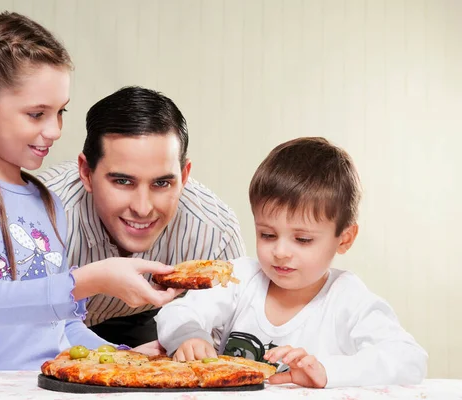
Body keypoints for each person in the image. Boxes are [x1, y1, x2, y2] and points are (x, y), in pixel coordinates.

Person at [0, 12, 181, 371]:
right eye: (37, 114)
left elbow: (60, 328)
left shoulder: (47, 201)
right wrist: (86, 281)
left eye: (60, 112)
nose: (54, 131)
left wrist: (124, 357)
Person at [0, 86, 246, 368]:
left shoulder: (216, 231)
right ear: (85, 172)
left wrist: (131, 357)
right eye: (123, 181)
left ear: (185, 176)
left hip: (155, 327)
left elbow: (241, 333)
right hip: (64, 335)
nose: (143, 208)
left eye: (162, 183)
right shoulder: (42, 209)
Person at [156, 137, 428, 388]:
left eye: (303, 239)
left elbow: (409, 359)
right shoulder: (242, 277)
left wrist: (326, 371)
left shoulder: (346, 298)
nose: (281, 252)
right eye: (267, 234)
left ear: (344, 239)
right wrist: (190, 337)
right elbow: (177, 313)